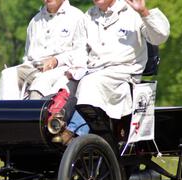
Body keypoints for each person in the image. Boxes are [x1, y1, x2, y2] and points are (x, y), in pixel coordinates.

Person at [55, 0, 170, 145]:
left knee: (90, 83)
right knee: (59, 83)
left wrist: (143, 12)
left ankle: (74, 133)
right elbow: (79, 50)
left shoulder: (133, 13)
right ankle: (52, 127)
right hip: (93, 71)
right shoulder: (88, 16)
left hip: (124, 74)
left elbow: (160, 37)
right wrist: (75, 68)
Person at [0, 0, 87, 100]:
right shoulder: (34, 21)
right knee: (8, 74)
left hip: (61, 70)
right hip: (33, 68)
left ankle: (33, 113)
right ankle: (7, 113)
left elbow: (81, 53)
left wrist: (56, 60)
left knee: (40, 83)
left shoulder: (77, 17)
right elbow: (27, 56)